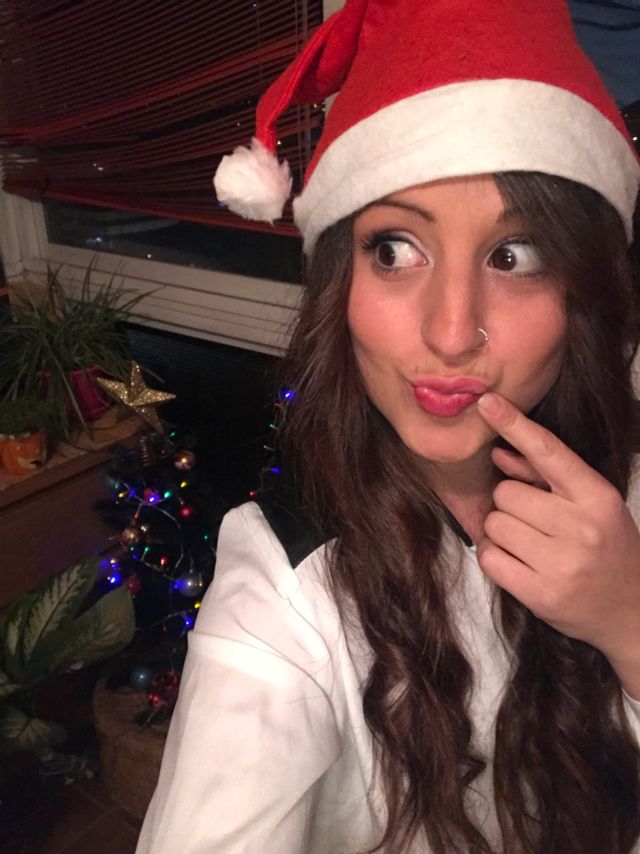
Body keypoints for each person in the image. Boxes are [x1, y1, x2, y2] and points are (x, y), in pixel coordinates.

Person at [136, 1, 640, 852]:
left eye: (513, 255)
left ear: (580, 295)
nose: (451, 333)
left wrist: (629, 621)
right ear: (341, 283)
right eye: (395, 249)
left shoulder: (629, 488)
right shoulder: (289, 590)